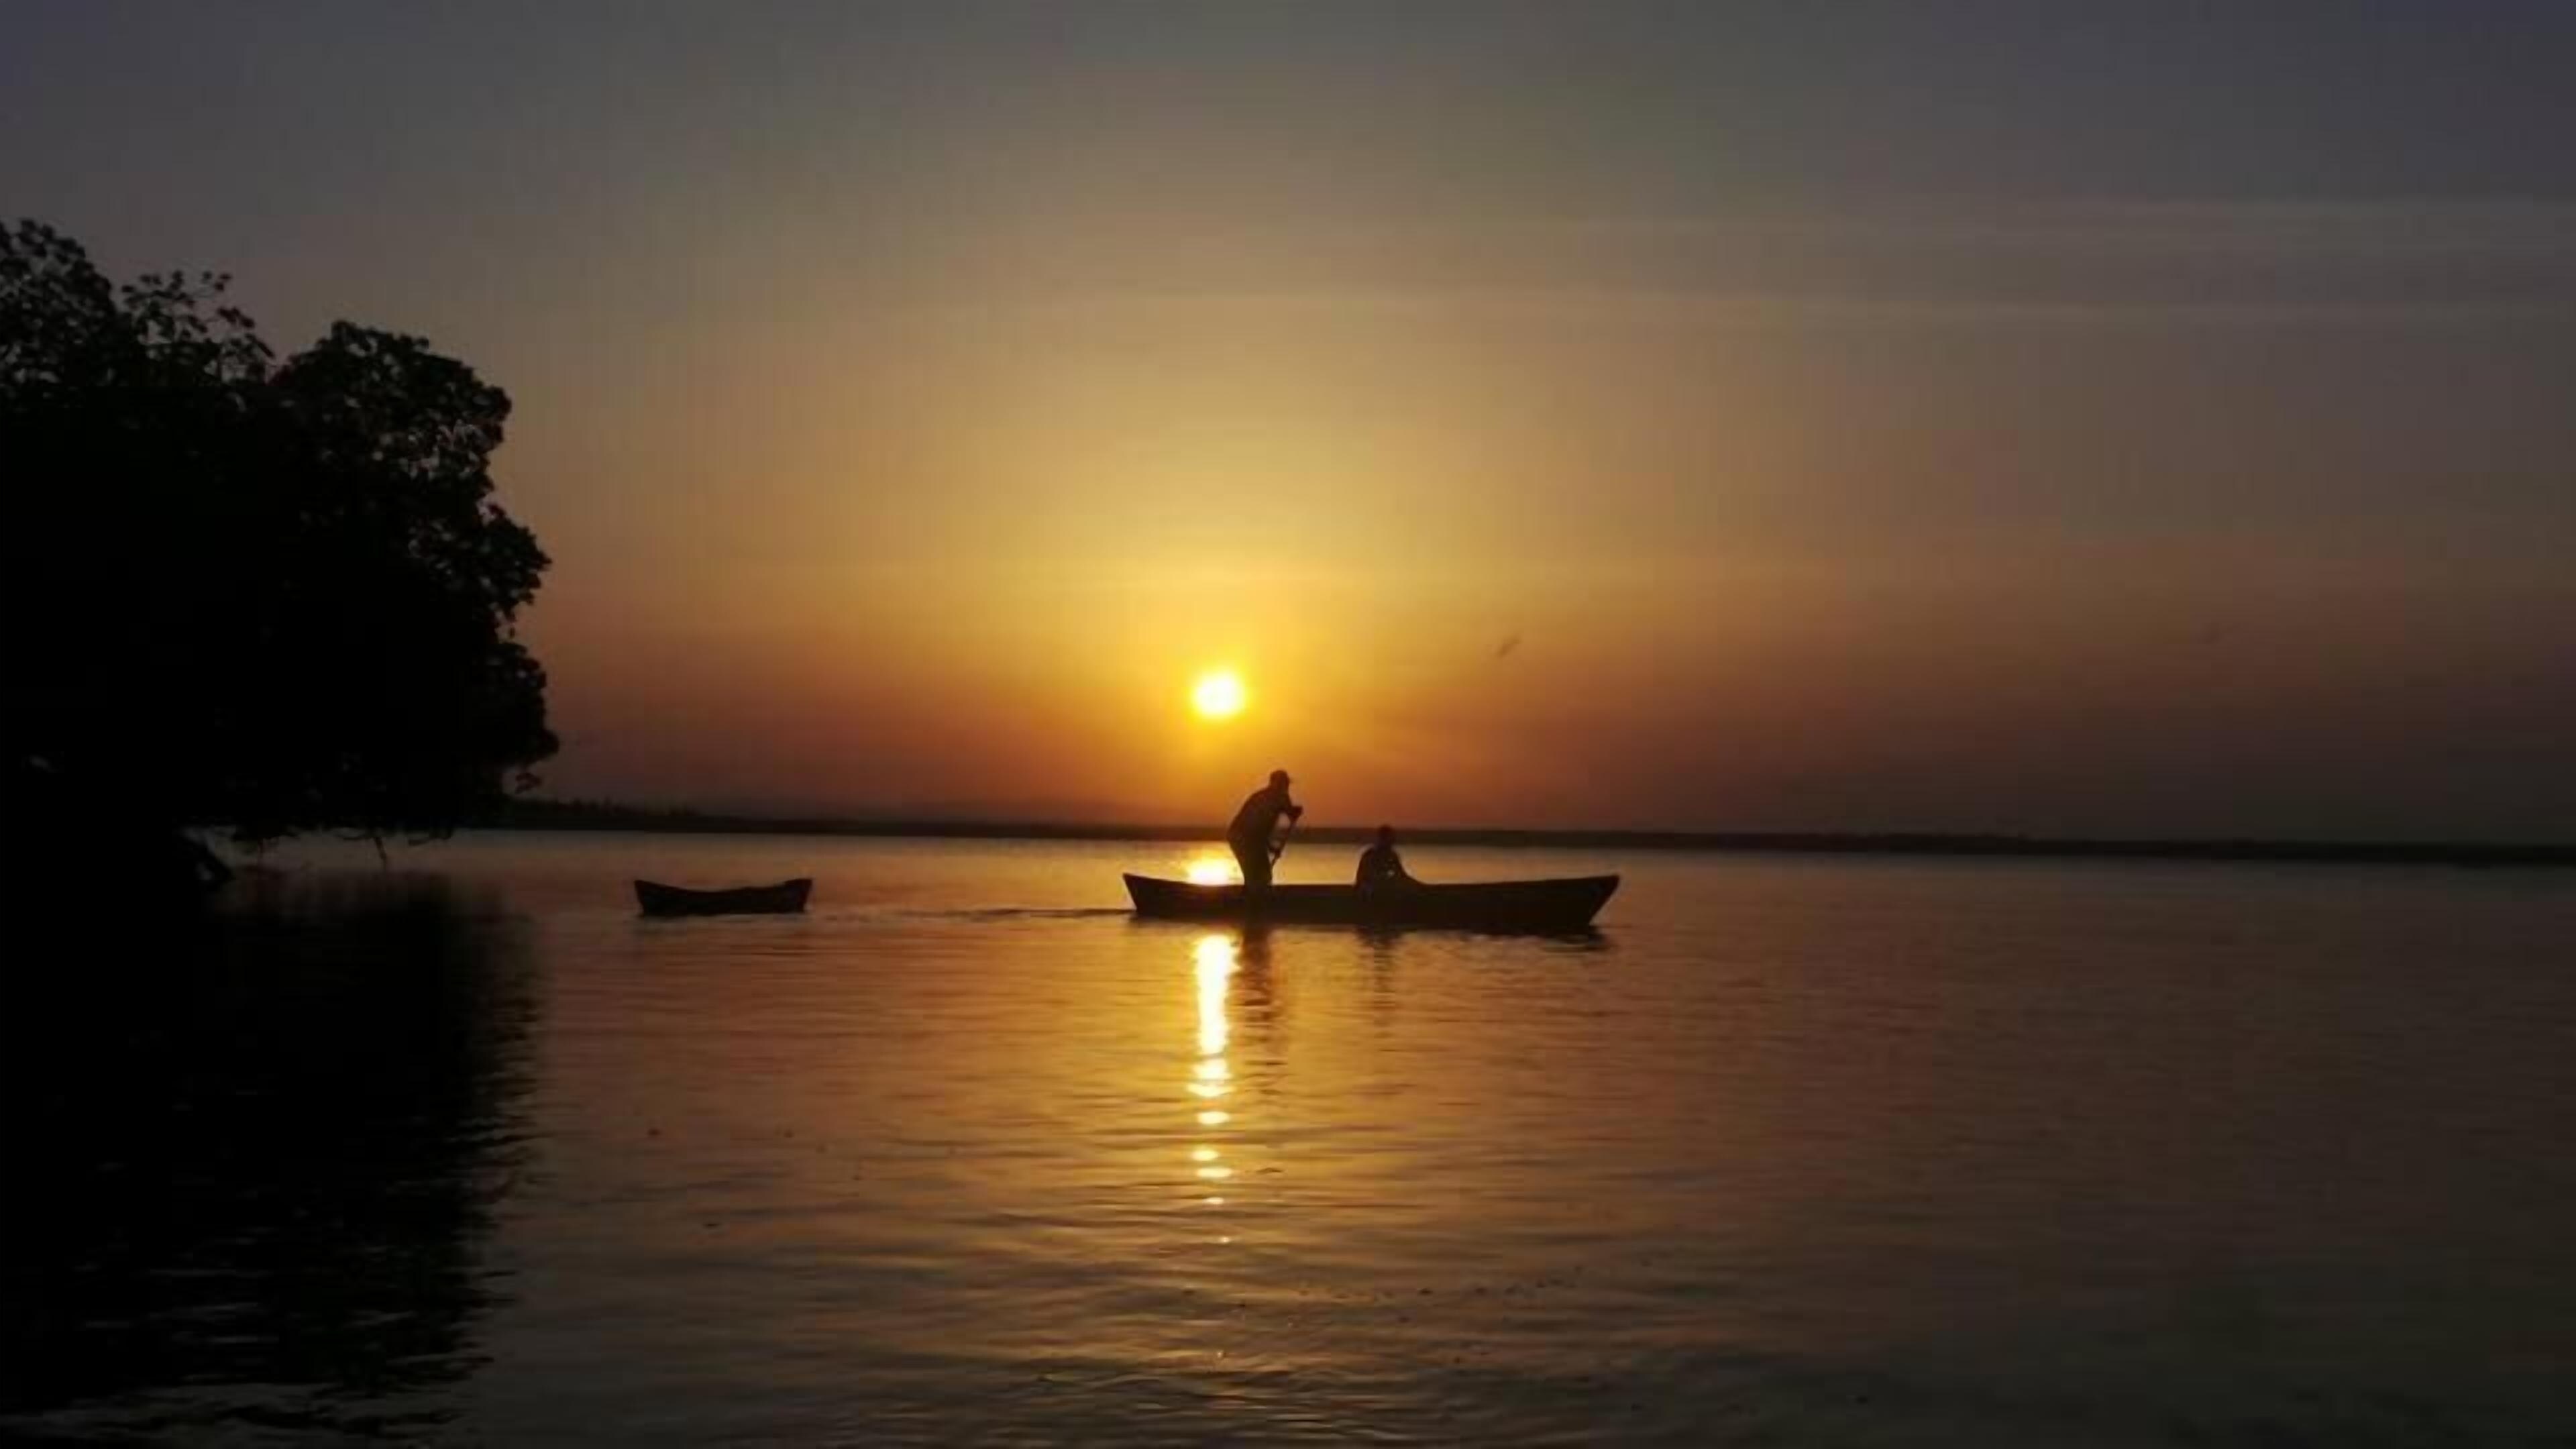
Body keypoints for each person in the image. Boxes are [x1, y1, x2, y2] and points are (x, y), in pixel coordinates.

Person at [1226, 769, 1302, 890]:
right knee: (1257, 875)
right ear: (1279, 784)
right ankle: (1255, 900)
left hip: (1246, 838)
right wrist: (1293, 812)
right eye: (1285, 784)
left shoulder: (1267, 797)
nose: (1287, 787)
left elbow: (1261, 829)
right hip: (1242, 838)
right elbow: (1254, 830)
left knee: (1259, 875)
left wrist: (1271, 848)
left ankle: (1254, 896)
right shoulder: (1275, 798)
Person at [1354, 824, 1417, 892]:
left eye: (1393, 839)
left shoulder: (1392, 856)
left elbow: (1401, 875)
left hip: (1385, 887)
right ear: (1381, 839)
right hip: (1370, 889)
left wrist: (1417, 885)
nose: (1393, 841)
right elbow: (1364, 878)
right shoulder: (1370, 855)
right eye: (1390, 839)